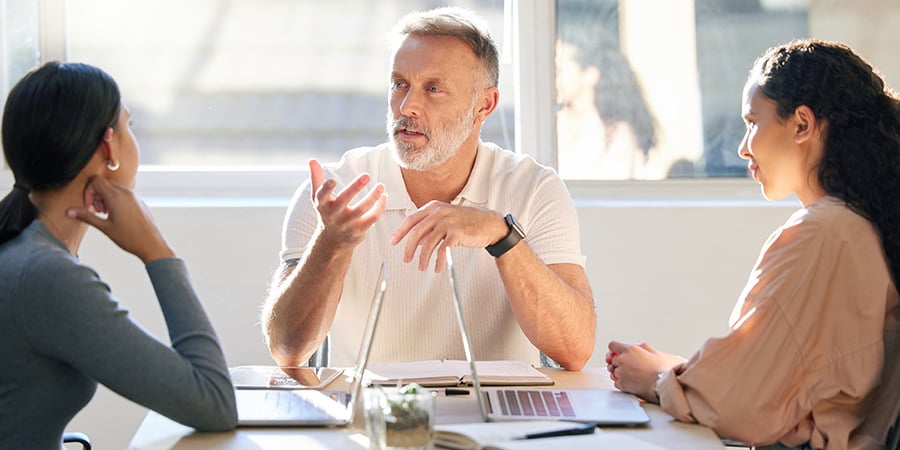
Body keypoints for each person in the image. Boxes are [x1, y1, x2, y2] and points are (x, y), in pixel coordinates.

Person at [261, 6, 596, 371]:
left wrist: (502, 235)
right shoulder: (335, 191)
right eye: (399, 84)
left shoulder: (534, 188)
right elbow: (286, 350)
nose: (408, 106)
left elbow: (574, 349)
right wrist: (331, 243)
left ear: (484, 105)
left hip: (503, 418)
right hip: (374, 414)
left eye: (433, 89)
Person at [606, 40, 900, 449]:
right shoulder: (862, 223)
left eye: (752, 121)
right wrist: (679, 370)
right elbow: (783, 384)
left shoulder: (825, 233)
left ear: (802, 124)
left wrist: (657, 378)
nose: (743, 146)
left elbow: (739, 408)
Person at [0, 62, 237, 449]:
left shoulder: (29, 253)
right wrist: (157, 251)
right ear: (108, 146)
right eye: (129, 127)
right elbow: (214, 401)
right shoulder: (45, 275)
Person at [554, 10, 658, 180]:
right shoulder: (553, 125)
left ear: (590, 74)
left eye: (559, 71)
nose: (553, 78)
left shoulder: (617, 136)